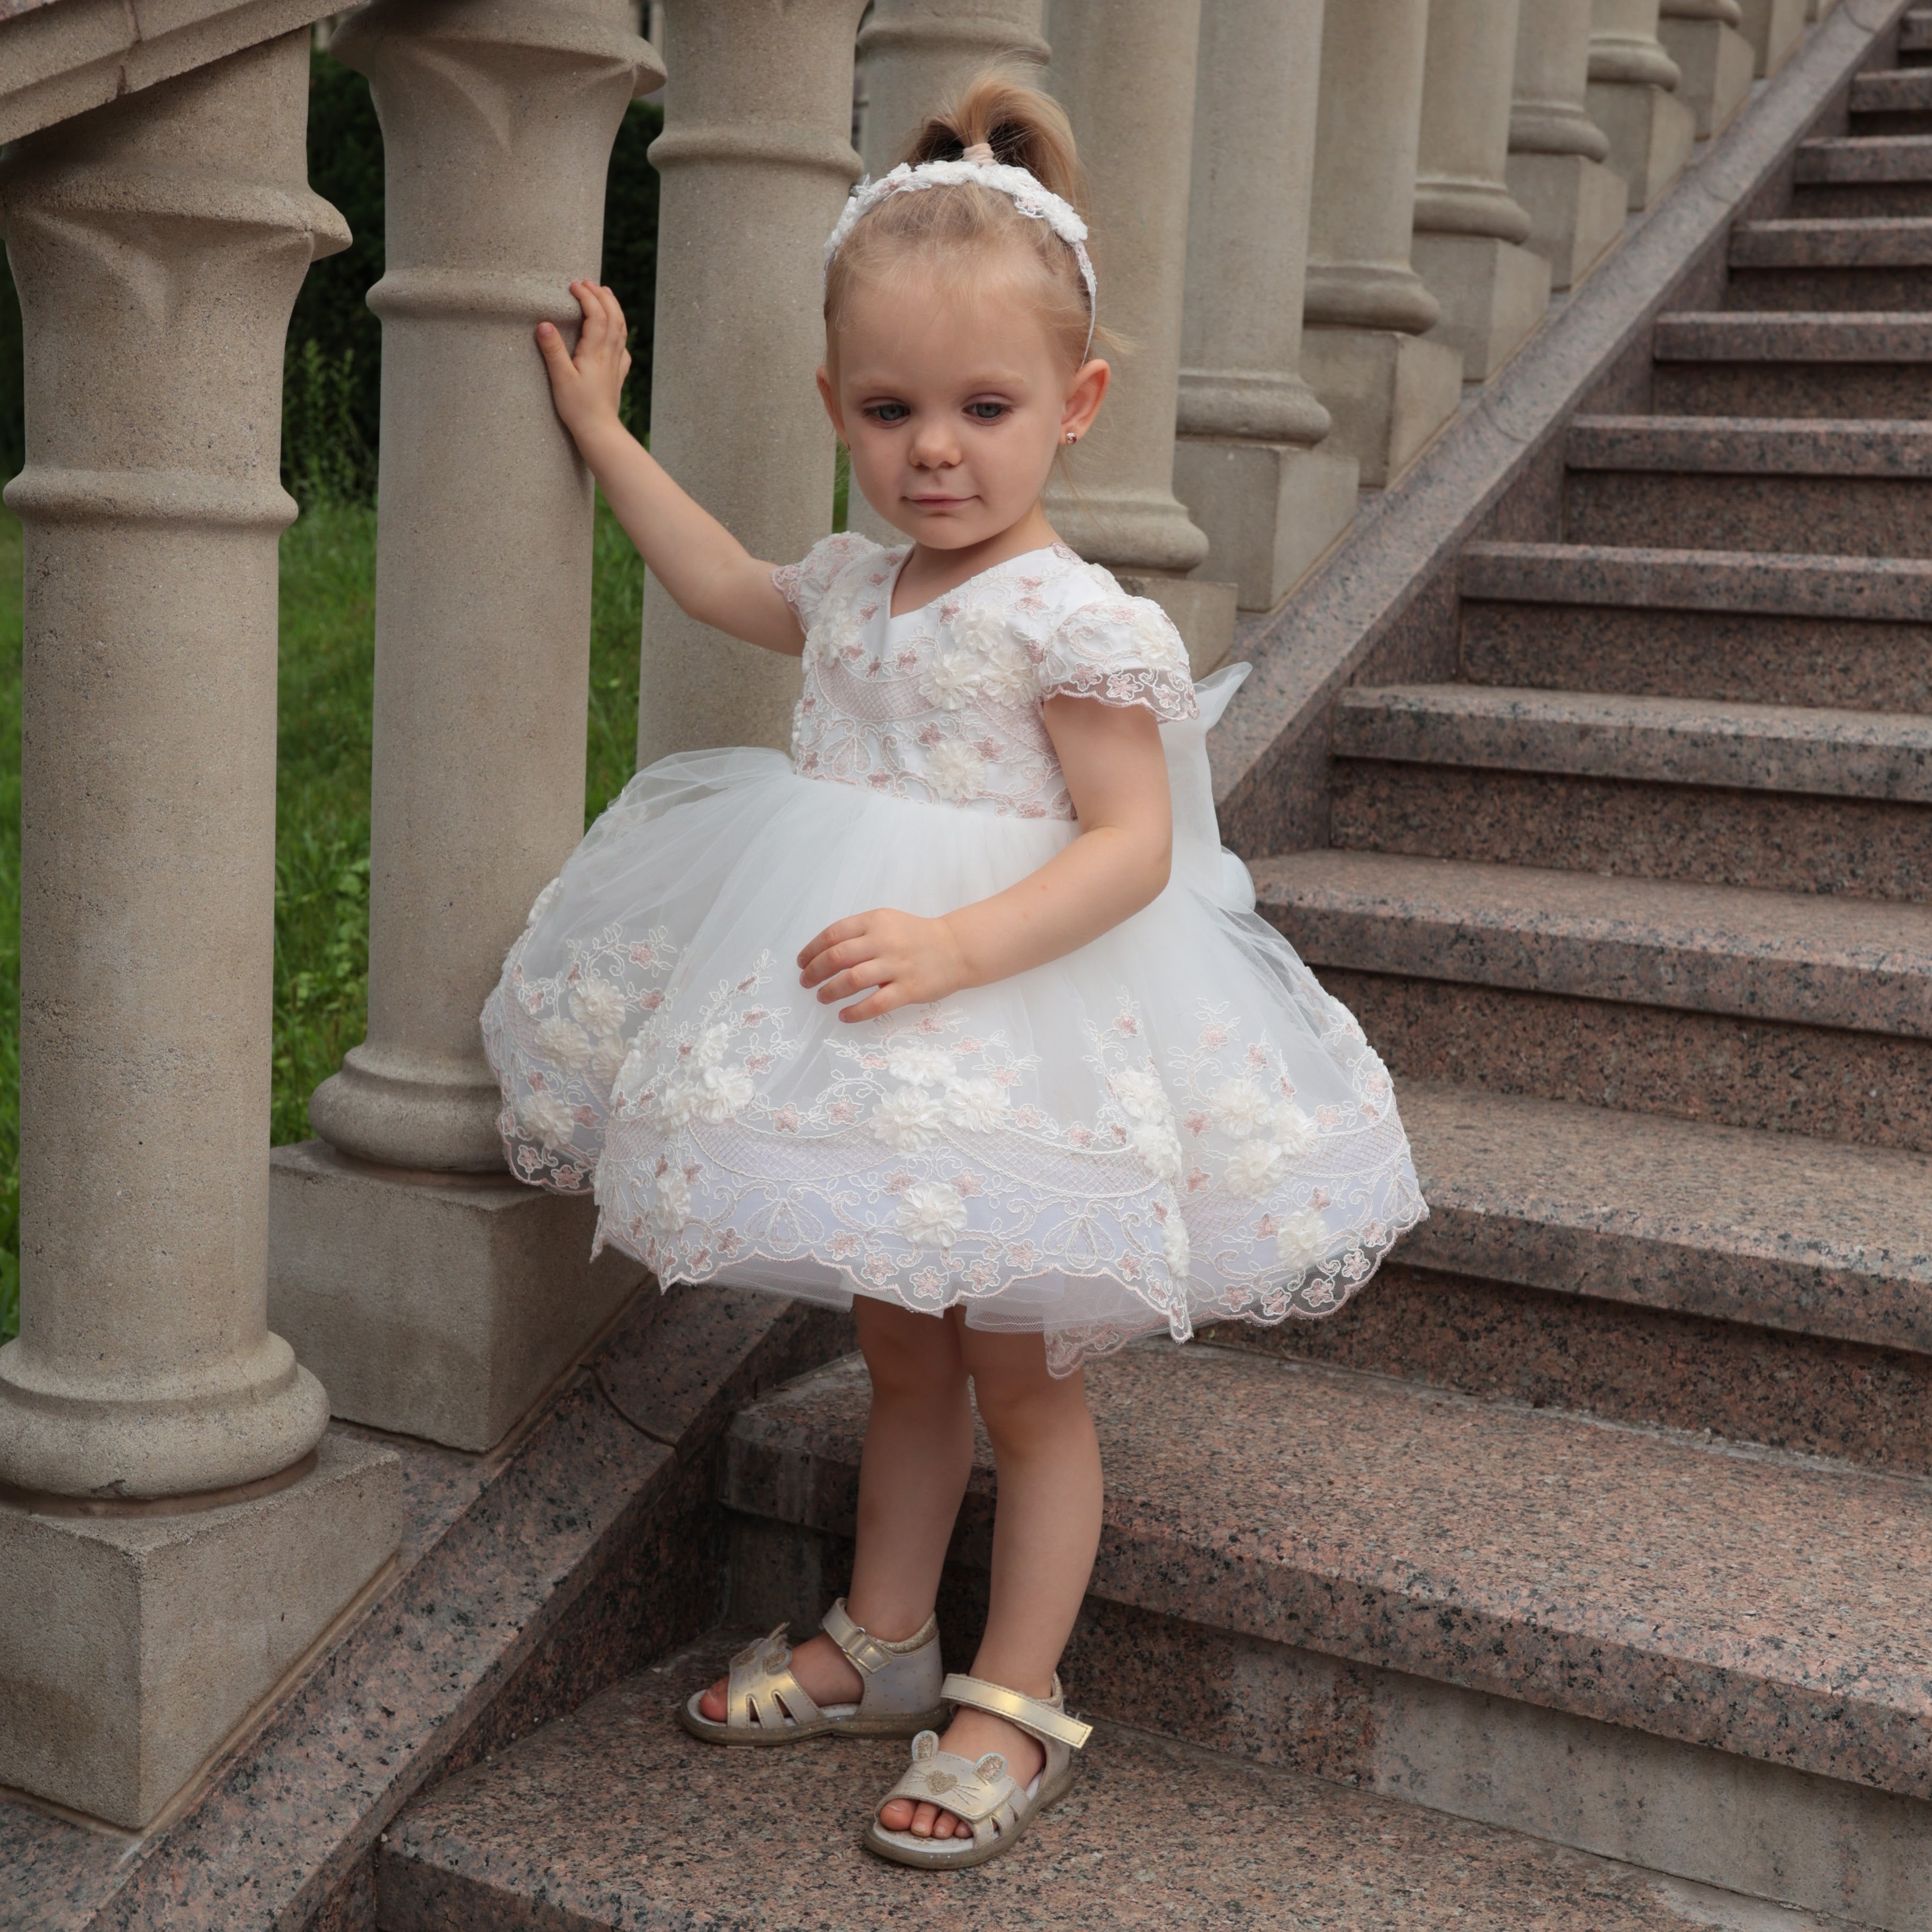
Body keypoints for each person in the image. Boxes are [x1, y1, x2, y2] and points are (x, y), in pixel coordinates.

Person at [484, 74, 1425, 1870]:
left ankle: (1012, 1688)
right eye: (895, 410)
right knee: (897, 1358)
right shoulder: (858, 587)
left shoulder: (1072, 618)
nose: (937, 451)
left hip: (1014, 1026)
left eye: (984, 410)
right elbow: (717, 582)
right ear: (838, 405)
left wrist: (953, 944)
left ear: (1072, 409)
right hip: (874, 1030)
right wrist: (604, 434)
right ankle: (884, 1638)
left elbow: (1131, 844)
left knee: (1021, 1380)